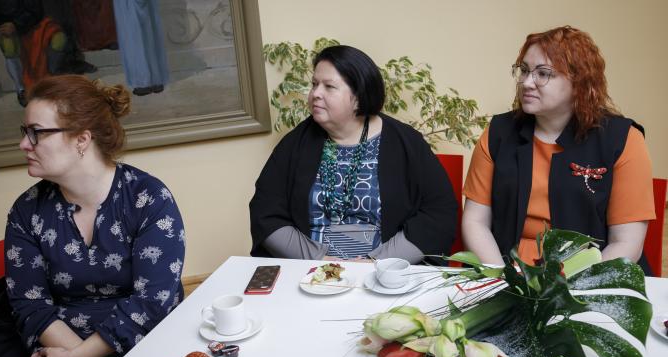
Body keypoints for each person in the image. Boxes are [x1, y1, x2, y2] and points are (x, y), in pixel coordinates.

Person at [4, 75, 185, 357]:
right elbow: (30, 306)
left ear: (82, 139)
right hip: (62, 350)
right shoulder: (27, 211)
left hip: (150, 342)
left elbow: (152, 301)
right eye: (25, 132)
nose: (24, 143)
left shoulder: (148, 198)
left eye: (37, 133)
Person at [462, 26, 655, 272]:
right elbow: (475, 222)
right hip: (506, 270)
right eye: (524, 70)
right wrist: (500, 277)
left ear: (579, 82)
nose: (527, 83)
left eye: (543, 73)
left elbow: (626, 243)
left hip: (593, 276)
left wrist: (566, 289)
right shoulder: (498, 132)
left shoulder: (623, 139)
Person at [249, 45, 457, 264]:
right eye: (314, 84)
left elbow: (439, 212)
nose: (315, 93)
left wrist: (377, 262)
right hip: (313, 271)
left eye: (329, 86)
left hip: (385, 272)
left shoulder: (406, 142)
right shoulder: (295, 144)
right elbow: (265, 211)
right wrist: (320, 261)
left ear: (359, 96)